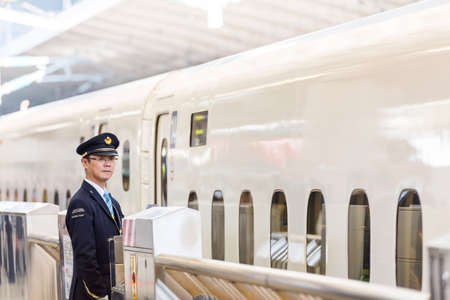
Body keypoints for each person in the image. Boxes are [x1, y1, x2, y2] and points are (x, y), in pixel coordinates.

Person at [66, 132, 124, 300]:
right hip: (92, 295)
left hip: (110, 291)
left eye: (111, 159)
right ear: (85, 162)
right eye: (100, 158)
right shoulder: (81, 203)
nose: (107, 164)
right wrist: (100, 294)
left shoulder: (112, 202)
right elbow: (85, 256)